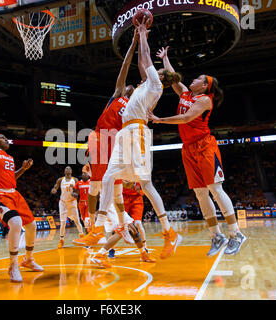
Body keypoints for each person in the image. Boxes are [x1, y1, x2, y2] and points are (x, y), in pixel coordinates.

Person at [76, 21, 182, 260]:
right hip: (122, 134)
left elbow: (145, 61)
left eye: (155, 71)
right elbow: (138, 64)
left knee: (145, 184)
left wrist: (143, 35)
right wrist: (137, 42)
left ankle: (168, 231)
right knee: (108, 176)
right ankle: (96, 228)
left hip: (136, 132)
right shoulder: (140, 89)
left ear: (160, 77)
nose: (143, 75)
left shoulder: (154, 85)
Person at [147, 46, 247, 256]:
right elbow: (173, 78)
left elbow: (185, 118)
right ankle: (216, 235)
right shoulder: (185, 93)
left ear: (204, 86)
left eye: (198, 78)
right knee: (201, 194)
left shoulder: (204, 100)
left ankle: (235, 233)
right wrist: (165, 58)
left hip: (205, 146)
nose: (193, 79)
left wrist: (159, 119)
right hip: (188, 149)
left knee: (215, 190)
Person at [79, 29, 138, 236]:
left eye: (135, 86)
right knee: (95, 185)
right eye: (129, 85)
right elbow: (125, 66)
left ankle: (123, 227)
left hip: (118, 145)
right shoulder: (118, 95)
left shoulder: (135, 107)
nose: (130, 86)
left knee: (117, 192)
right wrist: (134, 43)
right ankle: (94, 226)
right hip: (101, 138)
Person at [0, 133, 43, 283]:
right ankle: (13, 266)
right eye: (2, 138)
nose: (6, 139)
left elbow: (11, 178)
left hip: (14, 193)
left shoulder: (9, 157)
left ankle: (28, 260)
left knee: (32, 226)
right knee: (16, 223)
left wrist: (23, 169)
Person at [51, 166, 85, 249]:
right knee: (62, 222)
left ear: (71, 171)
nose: (68, 169)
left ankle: (82, 238)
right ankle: (61, 240)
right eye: (66, 168)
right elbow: (55, 187)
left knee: (77, 221)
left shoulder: (75, 180)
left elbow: (78, 191)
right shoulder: (60, 180)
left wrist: (75, 194)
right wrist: (54, 190)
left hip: (72, 202)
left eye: (69, 168)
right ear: (64, 171)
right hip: (63, 203)